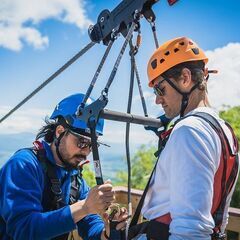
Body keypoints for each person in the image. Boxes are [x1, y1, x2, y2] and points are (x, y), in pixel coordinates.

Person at [129, 37, 239, 240]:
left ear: (185, 78)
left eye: (160, 89)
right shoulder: (225, 131)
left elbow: (191, 231)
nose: (157, 99)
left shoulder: (189, 131)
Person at [0, 93, 127, 240]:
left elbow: (90, 223)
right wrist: (84, 207)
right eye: (81, 142)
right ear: (60, 131)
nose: (86, 151)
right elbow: (24, 230)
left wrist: (105, 233)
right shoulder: (23, 165)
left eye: (91, 145)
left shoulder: (74, 177)